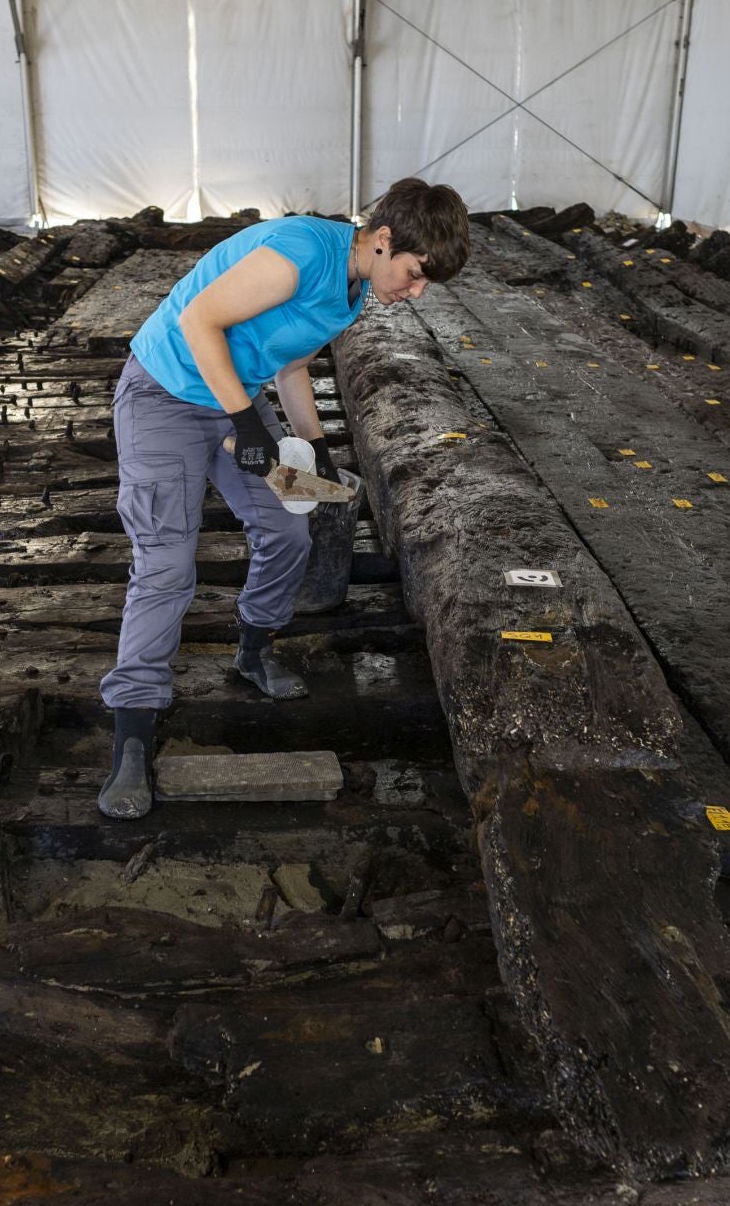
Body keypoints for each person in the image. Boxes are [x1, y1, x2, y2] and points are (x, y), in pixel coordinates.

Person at [95, 177, 471, 820]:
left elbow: (291, 364)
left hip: (236, 401)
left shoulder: (355, 290)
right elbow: (199, 319)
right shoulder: (299, 252)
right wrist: (244, 425)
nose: (415, 291)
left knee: (288, 528)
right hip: (165, 395)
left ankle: (253, 648)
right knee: (166, 565)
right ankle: (132, 727)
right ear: (383, 241)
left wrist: (313, 445)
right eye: (413, 274)